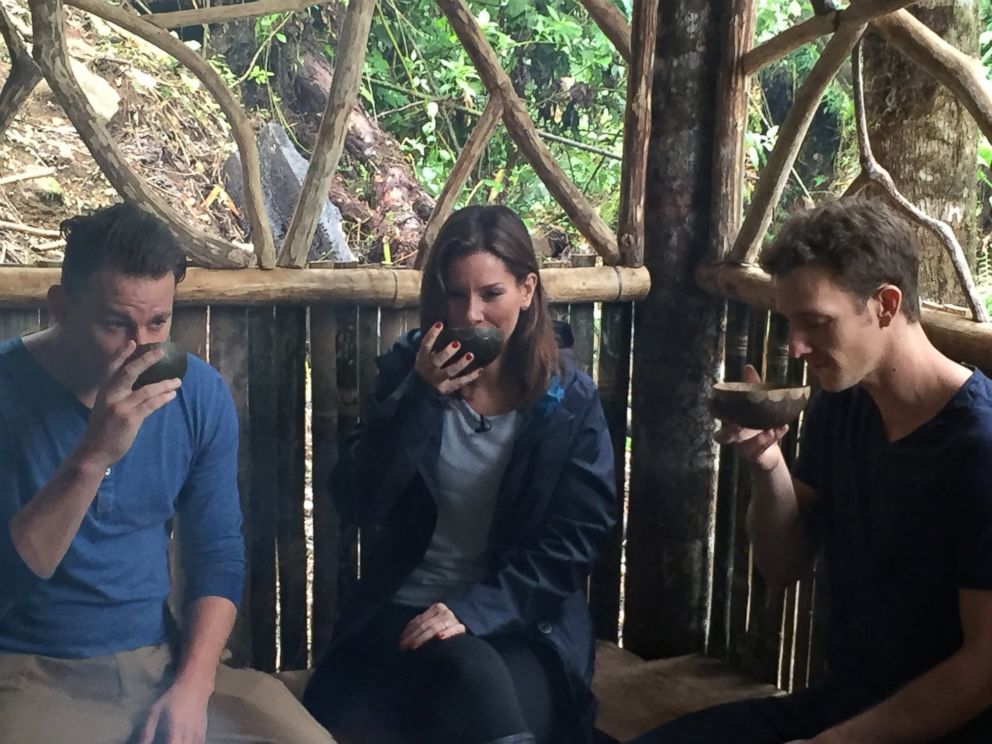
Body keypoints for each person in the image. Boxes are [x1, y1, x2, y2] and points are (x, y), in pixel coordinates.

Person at [631, 197, 992, 744]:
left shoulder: (980, 447)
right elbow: (783, 566)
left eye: (816, 324)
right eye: (790, 323)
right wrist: (766, 462)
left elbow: (983, 668)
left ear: (886, 305)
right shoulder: (846, 400)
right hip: (841, 707)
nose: (796, 346)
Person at [0, 202, 334, 744]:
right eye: (115, 324)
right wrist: (93, 455)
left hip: (161, 663)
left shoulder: (196, 394)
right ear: (60, 307)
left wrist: (193, 686)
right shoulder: (8, 390)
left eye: (157, 321)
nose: (141, 347)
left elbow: (218, 554)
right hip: (29, 669)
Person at [302, 205, 617, 744]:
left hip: (517, 621)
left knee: (473, 686)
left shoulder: (567, 399)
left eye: (491, 294)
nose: (470, 314)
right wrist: (421, 398)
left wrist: (473, 610)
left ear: (527, 290)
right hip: (400, 612)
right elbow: (356, 498)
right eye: (454, 294)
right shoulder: (408, 371)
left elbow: (576, 541)